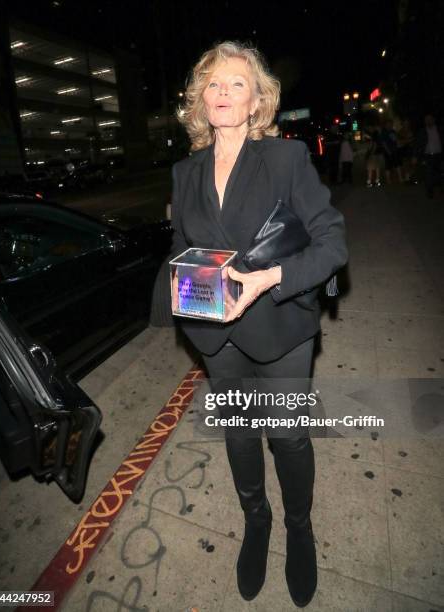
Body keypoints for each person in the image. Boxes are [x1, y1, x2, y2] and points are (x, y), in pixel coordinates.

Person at [170, 41, 348, 607]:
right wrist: (186, 294)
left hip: (279, 330)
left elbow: (332, 243)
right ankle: (257, 520)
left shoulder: (285, 159)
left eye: (236, 84)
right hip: (216, 336)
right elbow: (181, 248)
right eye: (213, 84)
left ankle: (299, 528)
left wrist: (270, 279)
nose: (223, 93)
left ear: (257, 103)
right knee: (241, 433)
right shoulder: (185, 172)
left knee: (288, 436)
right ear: (201, 101)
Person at [415, 114, 442, 198]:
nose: (428, 121)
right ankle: (430, 191)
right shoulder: (422, 131)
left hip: (439, 155)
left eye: (430, 119)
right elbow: (418, 144)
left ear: (433, 120)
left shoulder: (439, 130)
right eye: (426, 119)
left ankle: (439, 188)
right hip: (428, 156)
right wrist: (415, 156)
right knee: (428, 174)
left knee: (439, 173)